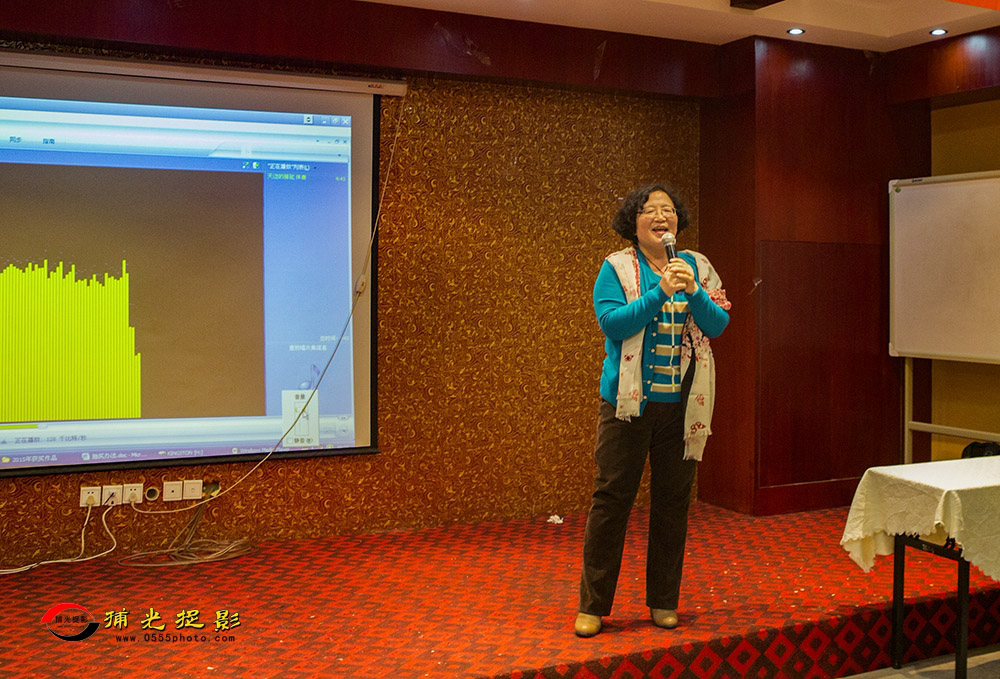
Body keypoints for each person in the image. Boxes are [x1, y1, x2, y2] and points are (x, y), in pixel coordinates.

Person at [575, 184, 731, 638]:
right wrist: (660, 292)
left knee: (672, 505)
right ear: (634, 222)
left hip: (681, 408)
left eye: (668, 210)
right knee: (612, 502)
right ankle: (593, 606)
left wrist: (693, 290)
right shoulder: (617, 267)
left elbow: (718, 324)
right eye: (650, 210)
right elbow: (613, 323)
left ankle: (664, 600)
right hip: (626, 407)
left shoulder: (697, 265)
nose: (661, 217)